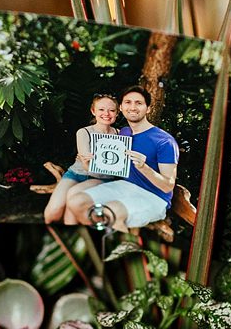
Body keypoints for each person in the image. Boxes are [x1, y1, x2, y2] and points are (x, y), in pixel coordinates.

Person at [64, 85, 179, 231]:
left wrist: (144, 167)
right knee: (76, 202)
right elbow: (109, 160)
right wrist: (89, 161)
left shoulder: (164, 141)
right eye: (128, 102)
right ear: (121, 108)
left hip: (154, 196)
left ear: (148, 108)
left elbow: (168, 186)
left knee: (110, 212)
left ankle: (119, 242)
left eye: (139, 103)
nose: (133, 107)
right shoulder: (123, 133)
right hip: (125, 187)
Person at [43, 92, 120, 224]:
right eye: (101, 109)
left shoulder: (120, 134)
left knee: (73, 199)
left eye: (111, 110)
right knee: (52, 213)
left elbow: (109, 167)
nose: (106, 113)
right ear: (93, 111)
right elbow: (86, 165)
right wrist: (87, 162)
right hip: (76, 174)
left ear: (117, 113)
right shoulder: (84, 132)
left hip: (100, 178)